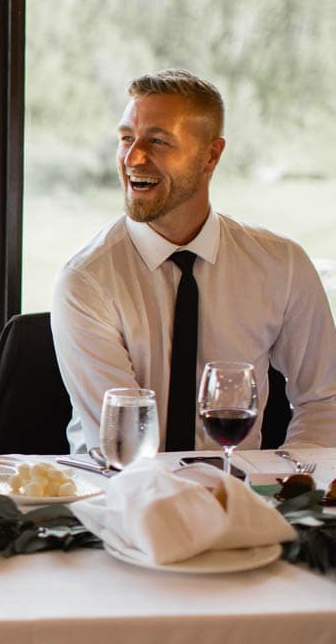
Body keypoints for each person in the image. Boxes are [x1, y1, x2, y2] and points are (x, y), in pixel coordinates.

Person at [51, 69, 336, 455]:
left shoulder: (281, 265)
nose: (133, 157)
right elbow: (127, 447)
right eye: (126, 139)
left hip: (239, 499)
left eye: (158, 141)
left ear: (211, 155)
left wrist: (287, 484)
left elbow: (324, 401)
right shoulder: (86, 280)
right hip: (117, 498)